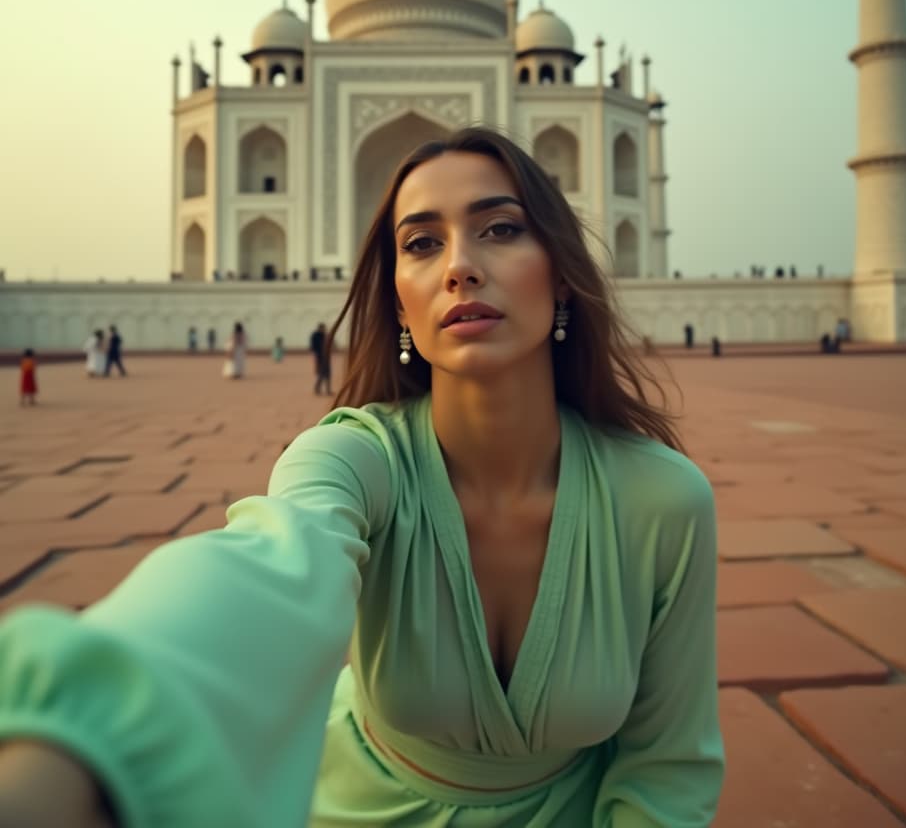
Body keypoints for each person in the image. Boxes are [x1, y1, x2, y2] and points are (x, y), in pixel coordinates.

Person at [0, 127, 723, 826]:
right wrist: (80, 736)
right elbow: (264, 572)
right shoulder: (353, 462)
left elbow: (667, 767)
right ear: (398, 297)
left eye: (500, 229)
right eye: (422, 243)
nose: (459, 266)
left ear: (562, 274)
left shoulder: (661, 500)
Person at [310, 322, 332, 396]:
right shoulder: (315, 336)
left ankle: (327, 389)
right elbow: (313, 347)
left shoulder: (324, 335)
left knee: (327, 374)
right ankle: (317, 388)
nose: (324, 329)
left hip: (326, 357)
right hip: (320, 357)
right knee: (322, 373)